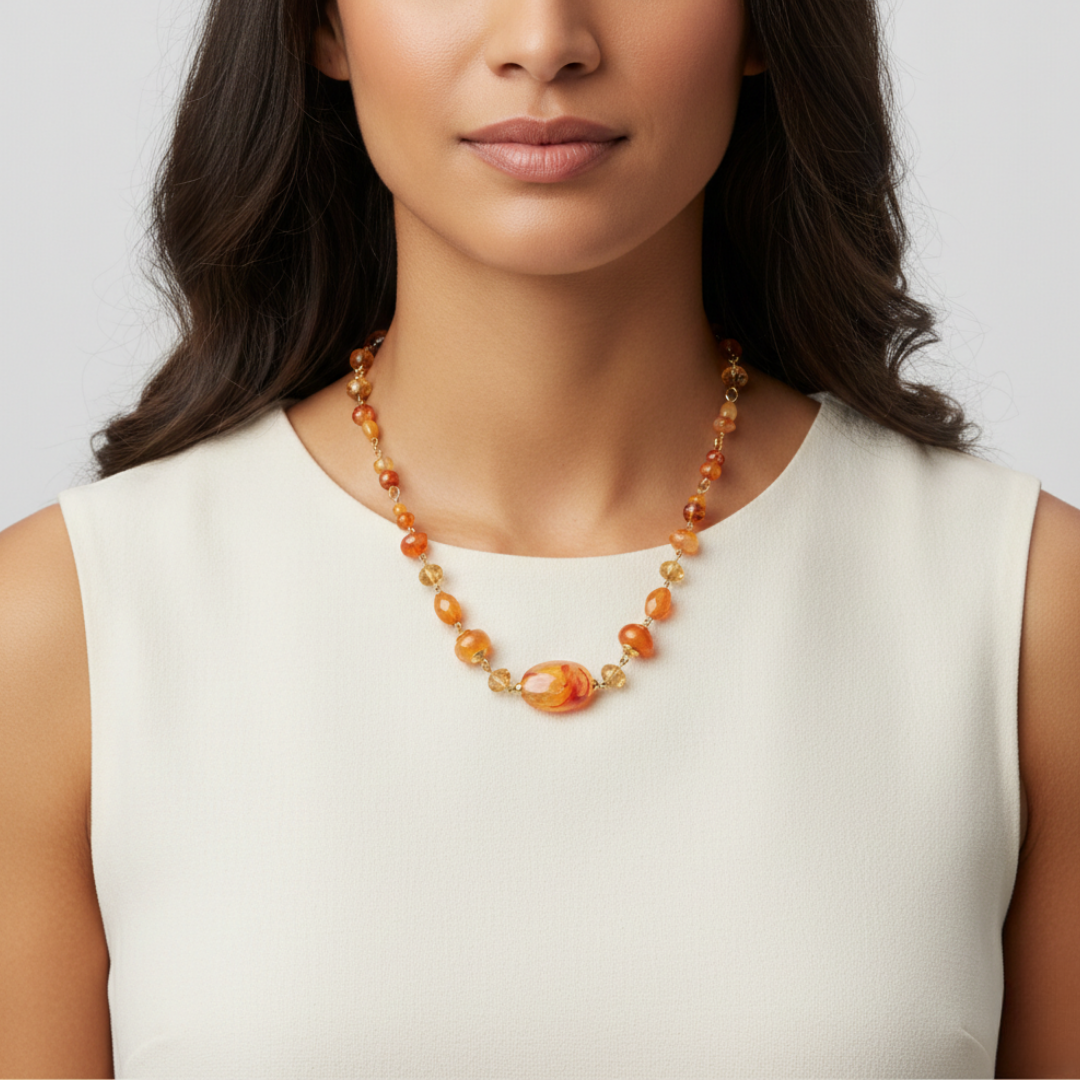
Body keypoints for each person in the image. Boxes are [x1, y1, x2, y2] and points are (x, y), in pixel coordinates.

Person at [1, 0, 1077, 1075]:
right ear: (318, 29)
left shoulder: (1026, 613)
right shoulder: (65, 627)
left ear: (763, 23)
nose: (545, 39)